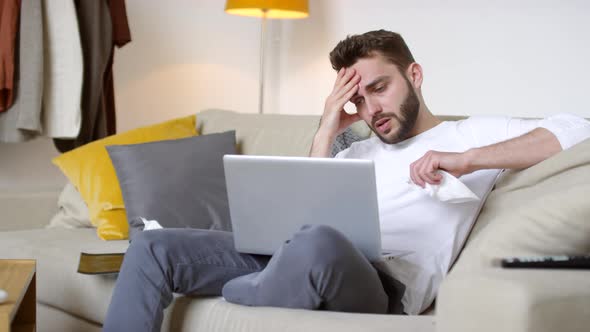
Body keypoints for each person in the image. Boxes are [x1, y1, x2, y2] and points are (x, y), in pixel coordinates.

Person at [103, 30, 590, 331]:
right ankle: (264, 281)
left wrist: (464, 160)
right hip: (293, 257)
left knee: (319, 242)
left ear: (414, 75)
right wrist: (327, 127)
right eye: (358, 101)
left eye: (380, 88)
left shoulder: (470, 134)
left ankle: (248, 288)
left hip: (381, 284)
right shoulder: (352, 149)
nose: (371, 110)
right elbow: (292, 220)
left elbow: (577, 131)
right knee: (154, 245)